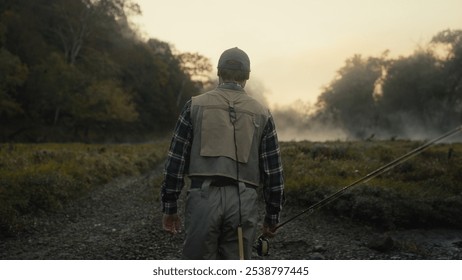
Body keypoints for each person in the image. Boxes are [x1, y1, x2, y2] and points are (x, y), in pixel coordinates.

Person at [160, 47, 285, 260]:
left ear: (219, 72)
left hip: (202, 199)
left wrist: (170, 207)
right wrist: (272, 217)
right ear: (247, 76)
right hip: (243, 202)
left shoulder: (194, 105)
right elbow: (274, 173)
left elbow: (176, 161)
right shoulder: (262, 113)